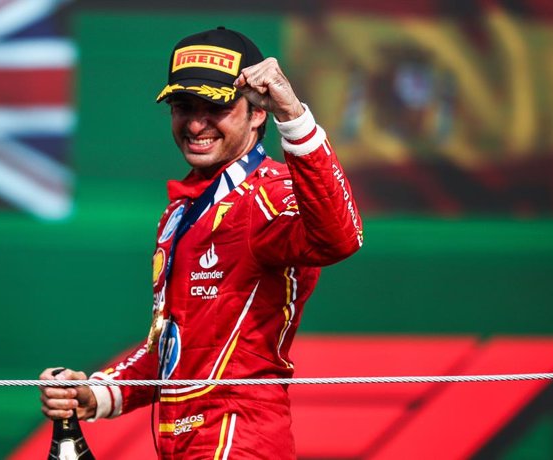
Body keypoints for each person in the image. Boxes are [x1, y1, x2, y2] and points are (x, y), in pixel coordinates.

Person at [40, 26, 364, 459]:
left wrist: (294, 114)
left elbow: (340, 238)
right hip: (183, 440)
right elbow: (174, 352)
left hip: (240, 437)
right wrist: (95, 394)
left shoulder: (271, 195)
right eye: (182, 107)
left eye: (215, 107)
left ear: (256, 113)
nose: (195, 124)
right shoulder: (179, 214)